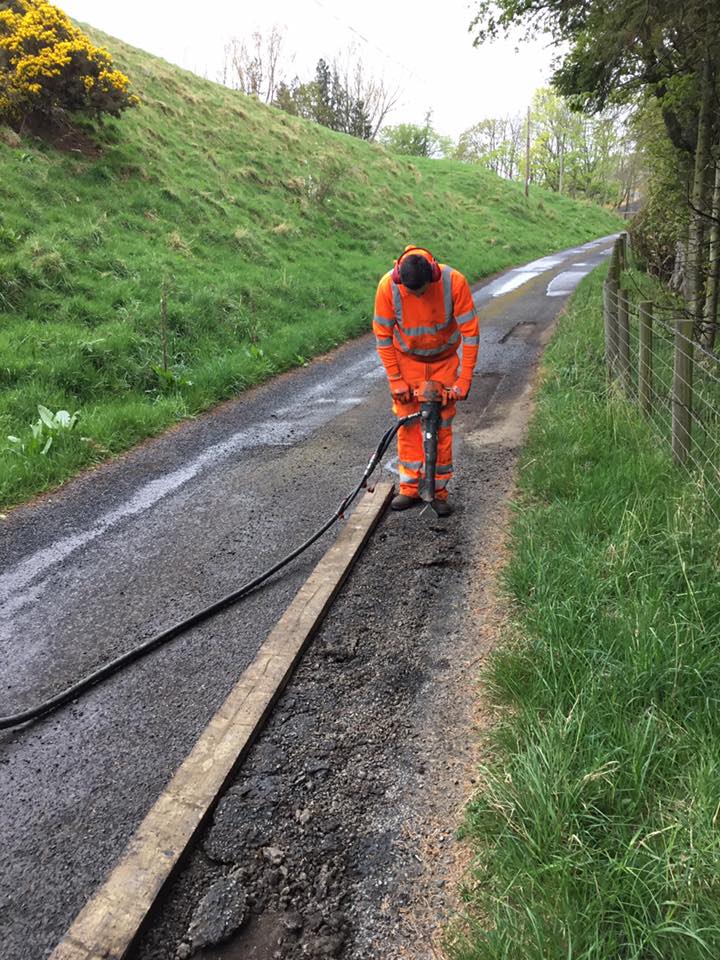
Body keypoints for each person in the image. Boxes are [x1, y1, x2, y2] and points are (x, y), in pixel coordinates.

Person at [373, 245, 479, 517]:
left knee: (441, 426)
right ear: (400, 279)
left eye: (422, 290)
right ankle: (409, 488)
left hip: (444, 362)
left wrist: (464, 378)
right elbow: (382, 337)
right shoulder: (388, 287)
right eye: (413, 292)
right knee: (408, 424)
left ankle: (439, 492)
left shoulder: (453, 282)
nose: (418, 295)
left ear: (432, 275)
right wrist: (396, 379)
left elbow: (471, 333)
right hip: (408, 362)